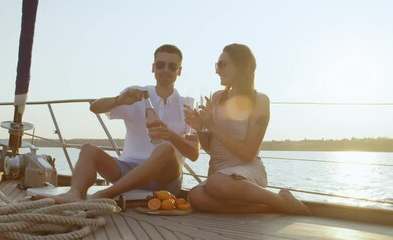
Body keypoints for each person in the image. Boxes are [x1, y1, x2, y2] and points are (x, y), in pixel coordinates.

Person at [36, 44, 199, 203]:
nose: (165, 70)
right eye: (161, 64)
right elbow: (95, 108)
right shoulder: (135, 94)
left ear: (179, 71)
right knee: (88, 149)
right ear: (153, 67)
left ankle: (105, 194)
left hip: (165, 179)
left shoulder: (187, 105)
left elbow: (193, 154)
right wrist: (119, 100)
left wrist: (169, 135)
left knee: (166, 149)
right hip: (127, 170)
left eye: (172, 66)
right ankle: (75, 193)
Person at [184, 43, 310, 215]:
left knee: (215, 183)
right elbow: (212, 149)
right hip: (219, 175)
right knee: (195, 196)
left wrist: (212, 126)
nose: (217, 70)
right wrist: (200, 128)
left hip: (246, 172)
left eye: (222, 65)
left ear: (241, 66)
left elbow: (248, 153)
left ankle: (279, 201)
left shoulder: (260, 101)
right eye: (216, 65)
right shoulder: (217, 97)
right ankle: (269, 206)